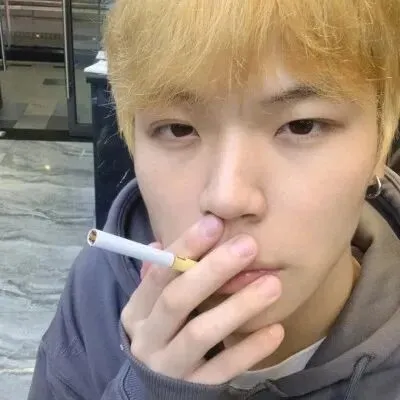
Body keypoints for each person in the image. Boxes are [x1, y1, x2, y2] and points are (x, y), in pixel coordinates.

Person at [28, 1, 400, 399]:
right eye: (178, 128)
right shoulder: (100, 290)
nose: (226, 198)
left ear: (380, 140)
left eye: (301, 126)